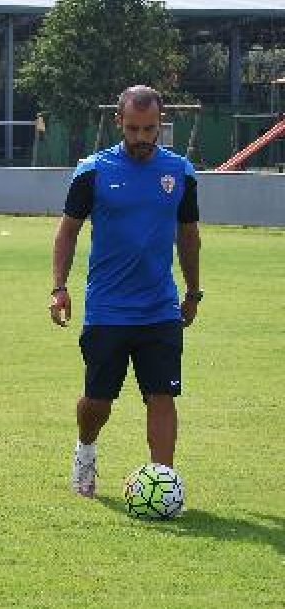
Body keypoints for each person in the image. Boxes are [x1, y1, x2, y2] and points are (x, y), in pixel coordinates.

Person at [49, 85, 202, 497]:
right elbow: (67, 233)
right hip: (107, 311)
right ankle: (85, 449)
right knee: (98, 403)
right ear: (119, 122)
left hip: (160, 308)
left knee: (162, 396)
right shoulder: (92, 172)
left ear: (160, 125)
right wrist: (59, 287)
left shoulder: (180, 173)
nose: (141, 138)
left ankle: (163, 484)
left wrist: (193, 292)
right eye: (133, 129)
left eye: (149, 129)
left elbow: (188, 237)